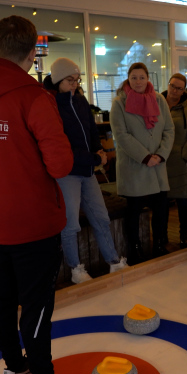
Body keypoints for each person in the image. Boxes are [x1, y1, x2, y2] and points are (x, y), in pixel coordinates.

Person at [0, 16, 91, 374]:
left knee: (2, 296)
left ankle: (15, 367)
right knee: (36, 304)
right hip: (30, 220)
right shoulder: (33, 98)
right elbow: (60, 164)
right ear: (33, 53)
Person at [44, 58, 128, 284]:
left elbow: (90, 129)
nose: (74, 84)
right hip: (67, 172)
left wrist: (99, 150)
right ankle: (75, 269)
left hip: (87, 170)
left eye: (77, 79)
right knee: (70, 223)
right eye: (70, 80)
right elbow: (61, 146)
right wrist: (93, 157)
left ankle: (113, 261)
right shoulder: (49, 104)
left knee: (101, 217)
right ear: (58, 80)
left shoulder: (80, 101)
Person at [110, 62, 175, 264]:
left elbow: (169, 130)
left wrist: (160, 155)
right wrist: (146, 156)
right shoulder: (119, 103)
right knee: (134, 212)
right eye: (133, 77)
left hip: (158, 166)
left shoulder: (159, 100)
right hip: (135, 167)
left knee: (161, 210)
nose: (138, 81)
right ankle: (135, 249)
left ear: (148, 79)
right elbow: (121, 135)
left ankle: (158, 245)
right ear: (128, 79)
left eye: (141, 77)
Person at [161, 73, 187, 249]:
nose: (174, 91)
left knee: (184, 202)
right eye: (172, 86)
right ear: (168, 85)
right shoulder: (157, 104)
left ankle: (183, 236)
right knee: (161, 204)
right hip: (160, 162)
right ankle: (162, 237)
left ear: (183, 90)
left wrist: (185, 155)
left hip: (182, 163)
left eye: (179, 88)